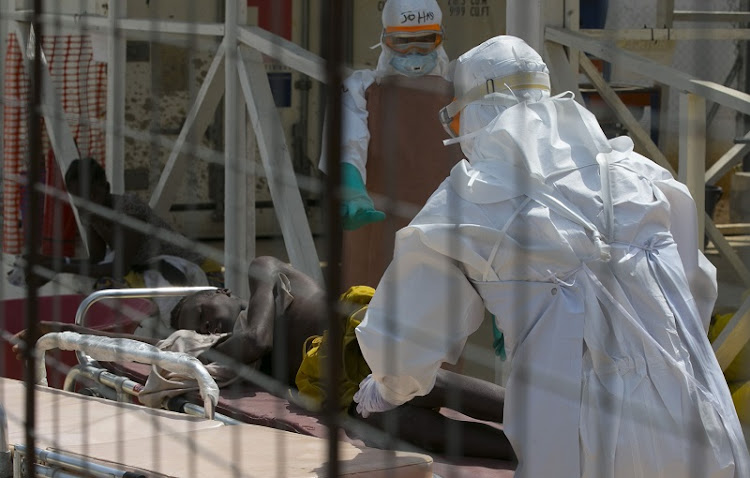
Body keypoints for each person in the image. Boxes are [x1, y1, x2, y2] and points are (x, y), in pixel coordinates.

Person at [352, 35, 750, 477]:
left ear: (475, 111)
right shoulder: (642, 175)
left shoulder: (470, 197)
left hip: (585, 441)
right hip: (702, 424)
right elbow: (694, 291)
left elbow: (410, 330)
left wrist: (388, 385)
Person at [14, 256, 513, 460]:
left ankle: (548, 416)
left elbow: (253, 339)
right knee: (405, 426)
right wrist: (66, 330)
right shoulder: (232, 354)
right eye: (196, 328)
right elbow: (146, 356)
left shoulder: (266, 273)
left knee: (425, 384)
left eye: (203, 311)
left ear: (223, 291)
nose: (206, 327)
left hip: (359, 337)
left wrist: (222, 353)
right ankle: (523, 454)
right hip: (337, 387)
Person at [320, 0, 463, 288]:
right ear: (386, 42)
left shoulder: (462, 90)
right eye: (403, 43)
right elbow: (348, 141)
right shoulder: (360, 89)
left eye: (424, 42)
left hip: (446, 224)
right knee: (370, 302)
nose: (413, 53)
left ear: (440, 39)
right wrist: (351, 188)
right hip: (377, 221)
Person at [26, 157, 224, 291]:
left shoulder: (129, 210)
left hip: (201, 273)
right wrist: (52, 263)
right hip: (161, 271)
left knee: (108, 286)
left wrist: (60, 267)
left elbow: (119, 268)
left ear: (106, 188)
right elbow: (96, 258)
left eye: (92, 194)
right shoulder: (89, 214)